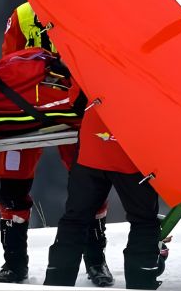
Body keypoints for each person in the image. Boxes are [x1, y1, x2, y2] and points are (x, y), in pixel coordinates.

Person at [0, 1, 112, 286]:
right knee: (12, 184)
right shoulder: (22, 13)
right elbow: (9, 63)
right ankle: (14, 264)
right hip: (25, 110)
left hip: (72, 110)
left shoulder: (88, 12)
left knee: (90, 183)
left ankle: (96, 262)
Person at [44, 104, 163, 290]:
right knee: (144, 221)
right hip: (134, 152)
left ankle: (56, 283)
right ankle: (142, 283)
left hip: (93, 146)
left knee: (74, 220)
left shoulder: (96, 73)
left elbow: (76, 100)